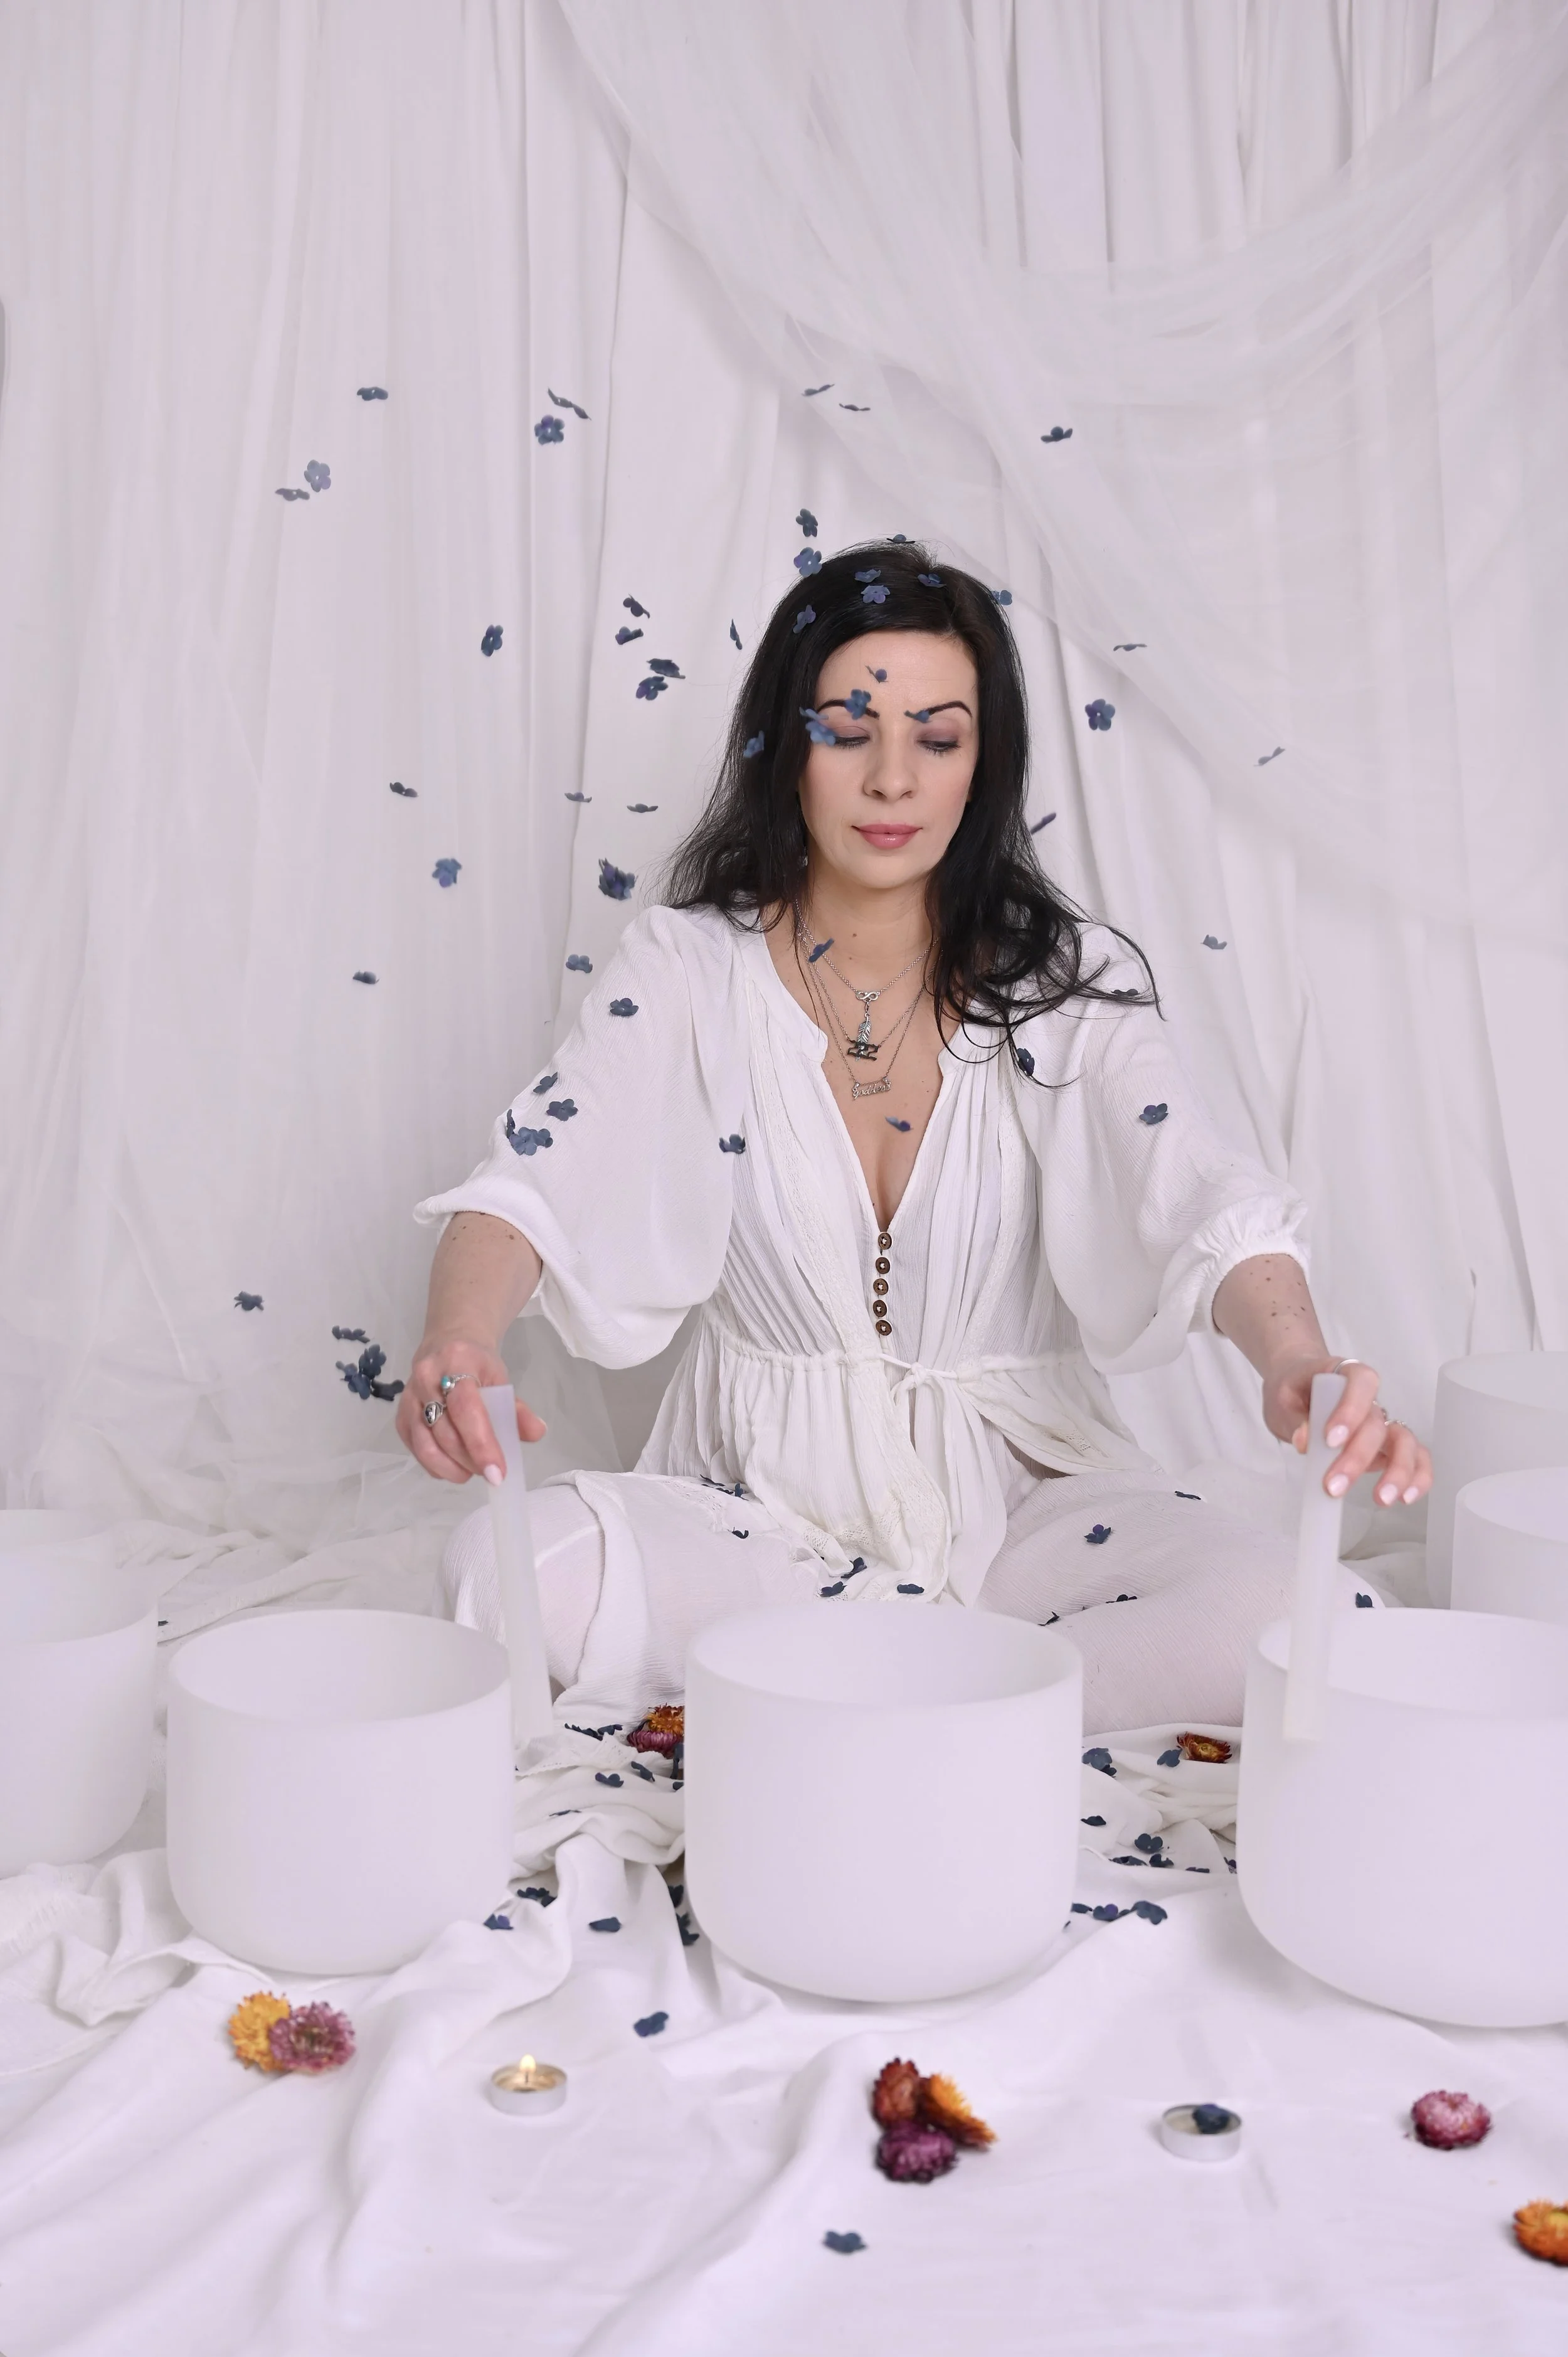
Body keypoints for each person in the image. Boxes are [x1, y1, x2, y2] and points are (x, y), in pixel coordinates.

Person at [398, 541, 1431, 1733]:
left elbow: (1204, 1198)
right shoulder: (687, 968)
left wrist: (1297, 1360)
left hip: (1028, 1515)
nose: (894, 779)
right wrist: (458, 1337)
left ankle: (871, 1706)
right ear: (785, 747)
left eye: (937, 738)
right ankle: (972, 1706)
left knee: (1320, 1624)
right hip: (761, 1515)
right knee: (506, 1573)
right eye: (850, 730)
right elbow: (532, 1182)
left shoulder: (1067, 979)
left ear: (980, 764)